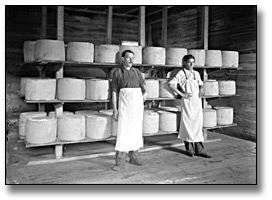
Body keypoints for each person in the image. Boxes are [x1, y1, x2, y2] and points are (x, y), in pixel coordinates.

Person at [168, 54, 211, 158]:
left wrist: (200, 92)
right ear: (184, 63)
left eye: (193, 62)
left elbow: (200, 84)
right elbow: (171, 84)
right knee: (188, 124)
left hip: (197, 101)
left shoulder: (196, 73)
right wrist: (182, 94)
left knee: (197, 125)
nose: (192, 64)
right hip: (187, 102)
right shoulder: (181, 73)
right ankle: (189, 149)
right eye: (189, 62)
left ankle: (200, 150)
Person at [111, 49, 147, 171]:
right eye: (128, 57)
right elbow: (115, 91)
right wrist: (115, 109)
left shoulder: (137, 72)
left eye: (132, 57)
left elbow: (143, 89)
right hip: (125, 106)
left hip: (136, 106)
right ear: (122, 59)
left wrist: (144, 95)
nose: (131, 60)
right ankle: (120, 162)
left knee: (136, 131)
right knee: (123, 132)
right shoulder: (117, 72)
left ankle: (134, 157)